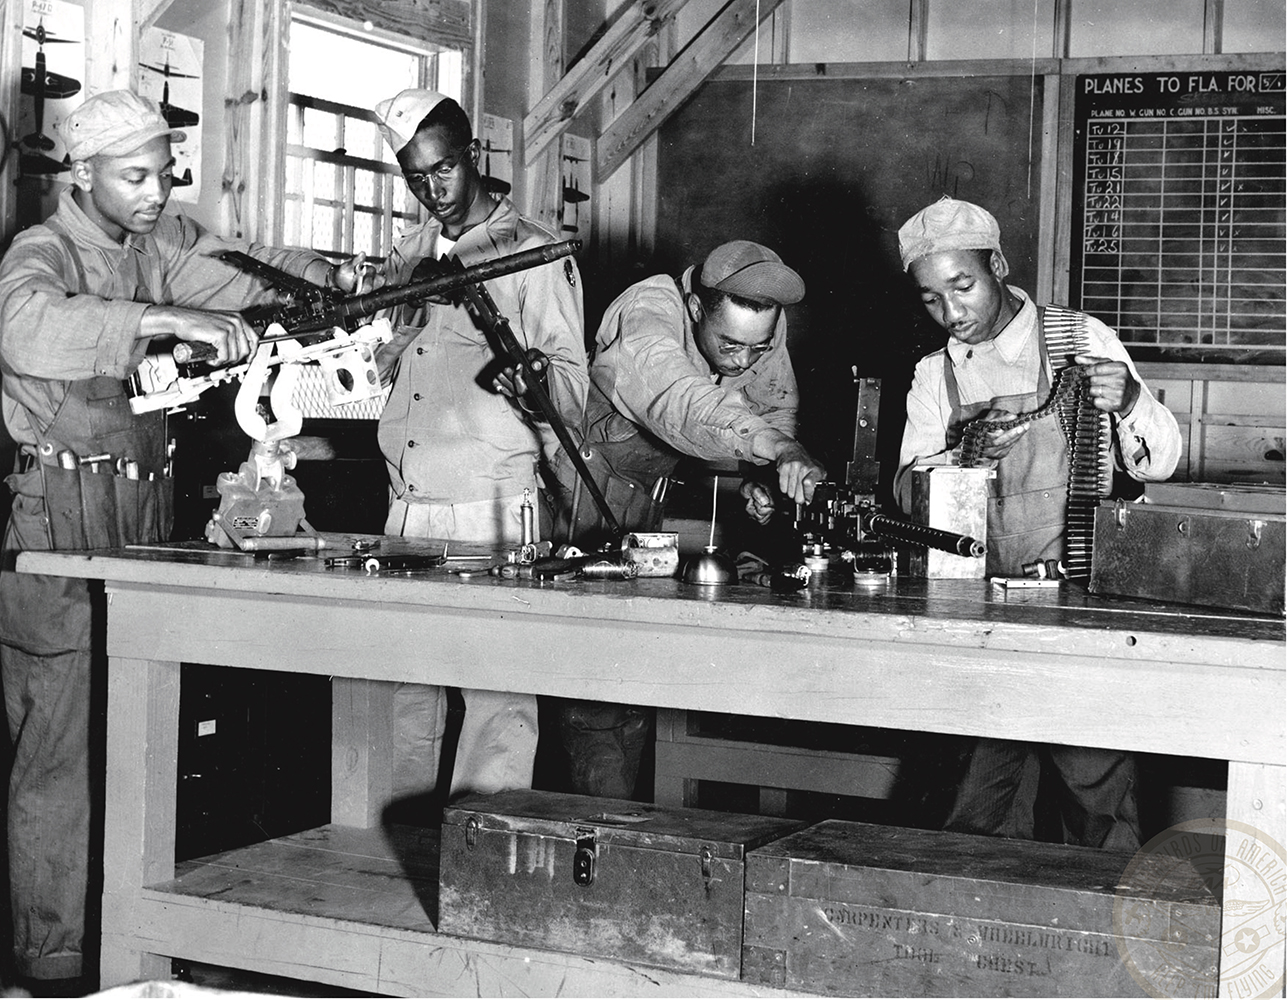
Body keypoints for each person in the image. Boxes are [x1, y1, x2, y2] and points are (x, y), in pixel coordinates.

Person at [0, 90, 363, 995]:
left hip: (137, 525)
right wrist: (160, 321)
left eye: (164, 174)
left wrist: (330, 277)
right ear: (82, 174)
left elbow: (238, 269)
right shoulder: (40, 253)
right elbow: (26, 326)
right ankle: (55, 964)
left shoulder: (155, 244)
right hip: (58, 532)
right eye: (135, 177)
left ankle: (130, 942)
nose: (156, 192)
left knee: (139, 736)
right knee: (62, 751)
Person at [894, 196, 1182, 849]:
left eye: (963, 286)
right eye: (931, 298)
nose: (951, 312)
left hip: (1080, 606)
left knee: (1096, 799)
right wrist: (963, 460)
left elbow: (1160, 462)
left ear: (996, 266)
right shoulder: (935, 375)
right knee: (974, 803)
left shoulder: (1076, 339)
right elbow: (907, 497)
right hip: (983, 617)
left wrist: (1130, 401)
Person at [371, 89, 587, 807]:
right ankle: (399, 844)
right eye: (415, 177)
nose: (432, 190)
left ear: (473, 155)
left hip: (491, 504)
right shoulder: (409, 252)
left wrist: (533, 379)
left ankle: (485, 851)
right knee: (405, 689)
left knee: (495, 696)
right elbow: (386, 360)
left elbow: (572, 389)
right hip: (408, 504)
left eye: (443, 169)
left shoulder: (530, 249)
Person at [551, 240, 827, 799]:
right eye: (730, 346)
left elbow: (773, 404)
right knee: (593, 674)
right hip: (581, 489)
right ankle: (601, 824)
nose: (743, 360)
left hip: (648, 492)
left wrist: (763, 475)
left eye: (757, 347)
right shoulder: (650, 308)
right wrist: (775, 448)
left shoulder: (757, 322)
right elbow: (677, 400)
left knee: (635, 669)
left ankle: (628, 817)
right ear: (698, 308)